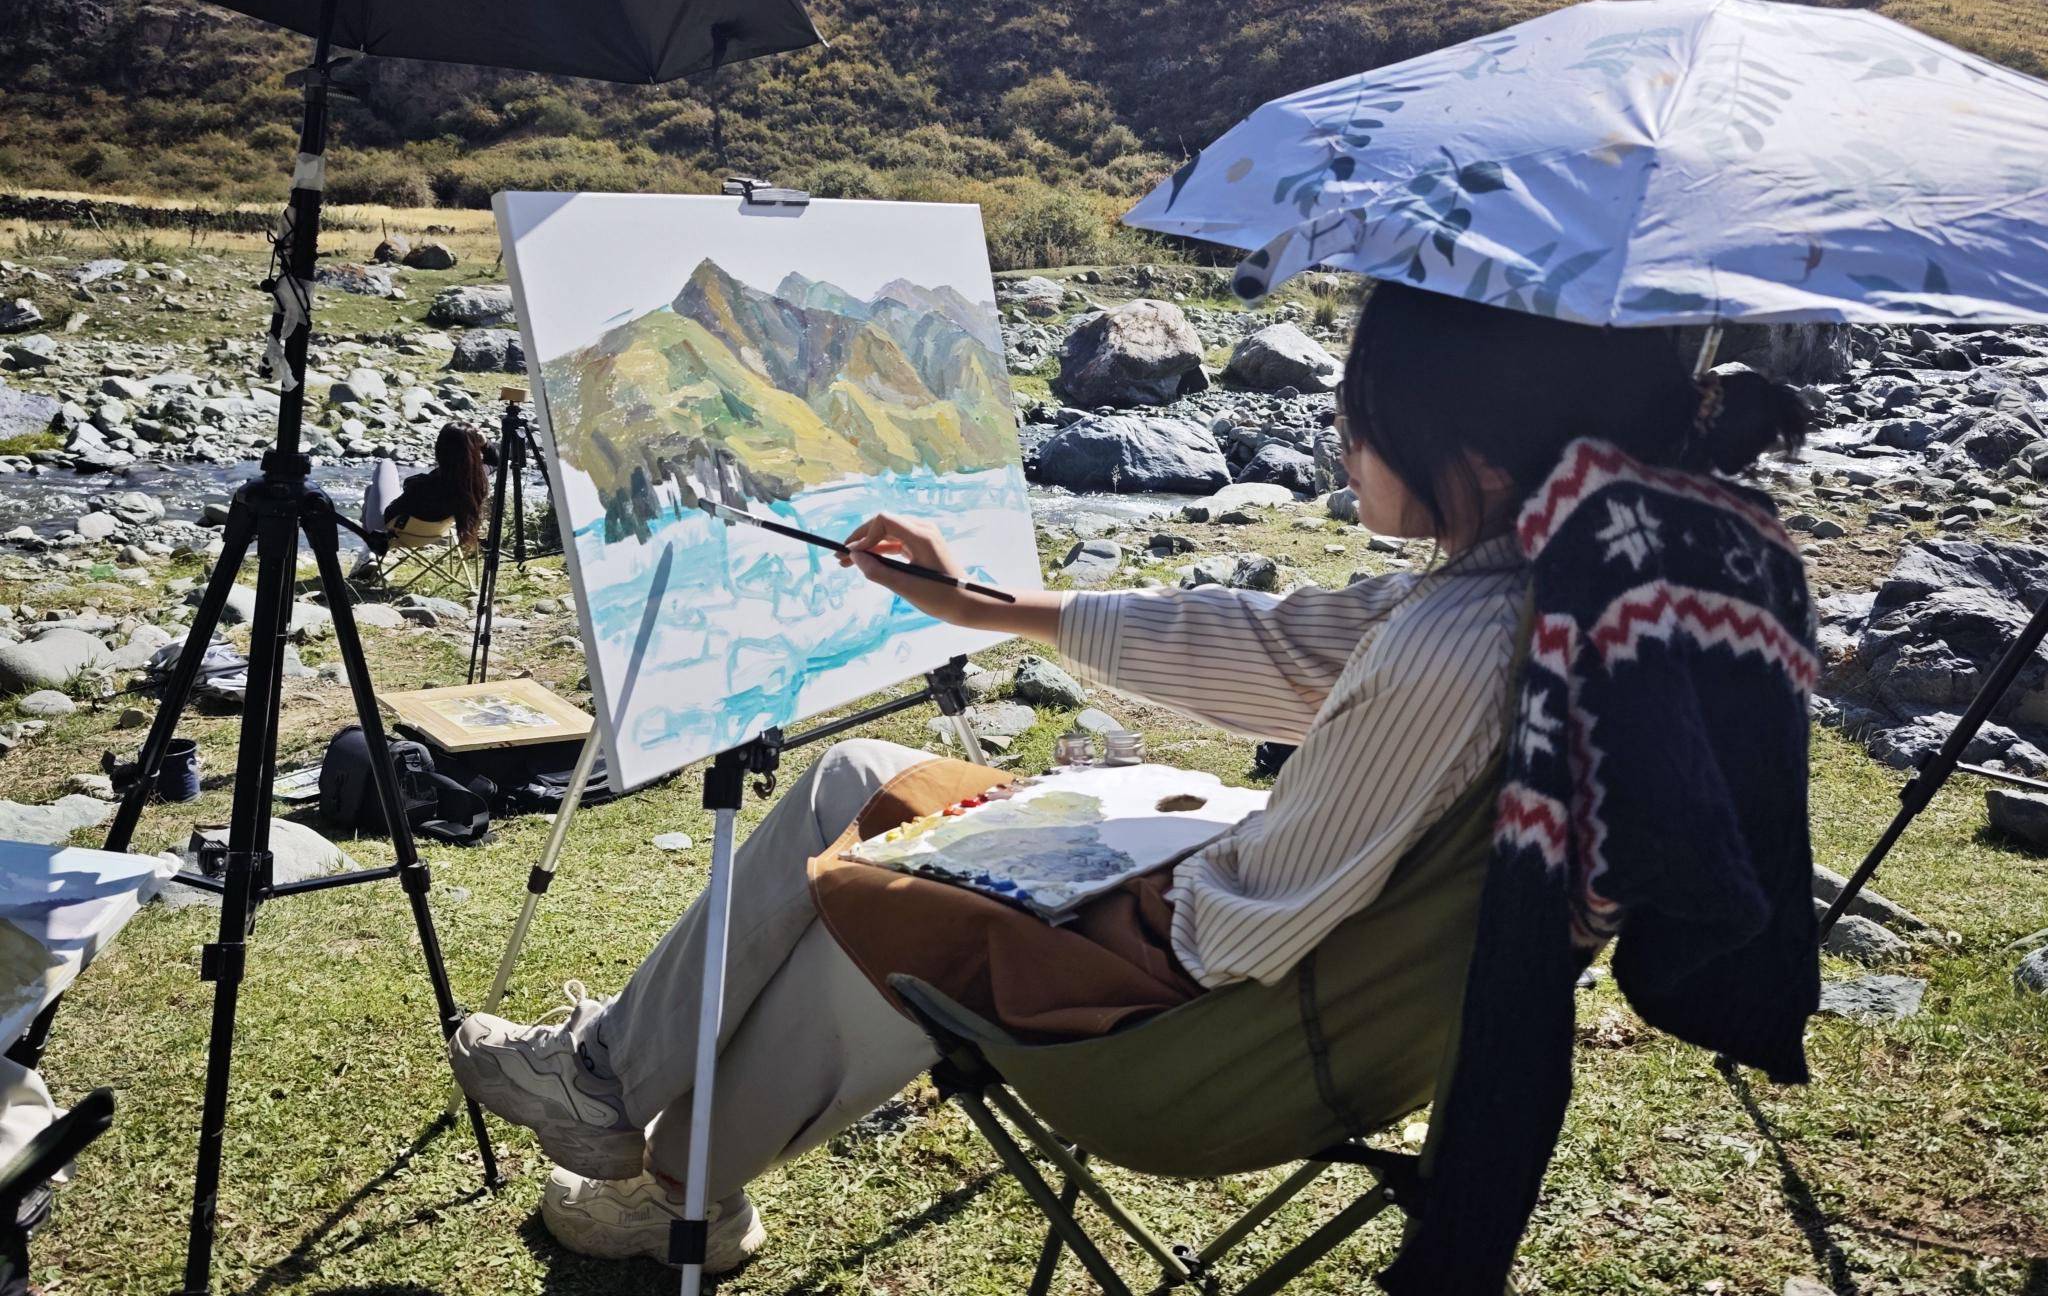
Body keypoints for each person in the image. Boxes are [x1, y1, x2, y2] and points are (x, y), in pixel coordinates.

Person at [446, 282, 1807, 1271]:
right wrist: (998, 611)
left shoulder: (1462, 640)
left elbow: (1234, 923)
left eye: (1363, 408)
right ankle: (621, 1081)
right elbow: (1282, 647)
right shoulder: (1563, 582)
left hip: (1217, 1051)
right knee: (857, 772)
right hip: (1348, 1015)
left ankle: (675, 1184)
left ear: (1473, 446)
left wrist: (1087, 849)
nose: (1342, 434)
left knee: (874, 900)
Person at [359, 422, 491, 548]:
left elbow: (394, 509)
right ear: (473, 450)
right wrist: (485, 444)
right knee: (371, 491)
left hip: (390, 535)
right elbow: (495, 462)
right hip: (434, 535)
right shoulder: (475, 482)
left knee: (385, 465)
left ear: (440, 449)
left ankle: (369, 553)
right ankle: (368, 555)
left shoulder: (422, 485)